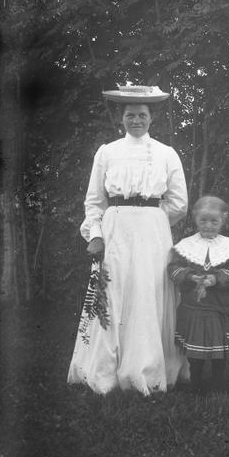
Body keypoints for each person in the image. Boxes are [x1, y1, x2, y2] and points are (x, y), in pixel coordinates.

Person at [68, 84, 189, 395]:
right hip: (115, 227)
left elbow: (178, 203)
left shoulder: (166, 153)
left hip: (152, 229)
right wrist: (96, 234)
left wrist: (152, 217)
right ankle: (105, 370)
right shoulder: (107, 152)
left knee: (147, 291)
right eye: (130, 115)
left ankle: (146, 370)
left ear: (152, 118)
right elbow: (95, 200)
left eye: (143, 115)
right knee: (114, 291)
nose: (137, 120)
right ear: (121, 119)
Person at [168, 196, 229, 392]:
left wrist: (216, 279)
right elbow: (174, 269)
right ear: (195, 219)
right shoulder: (186, 246)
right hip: (193, 309)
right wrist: (190, 276)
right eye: (203, 221)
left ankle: (217, 384)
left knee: (220, 353)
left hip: (218, 308)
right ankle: (195, 385)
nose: (208, 226)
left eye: (214, 221)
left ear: (223, 221)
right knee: (195, 354)